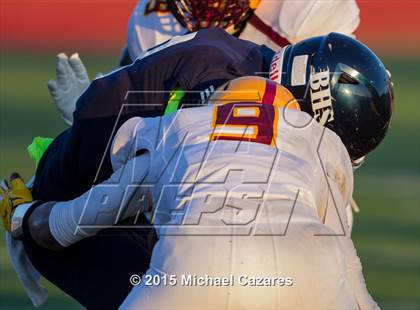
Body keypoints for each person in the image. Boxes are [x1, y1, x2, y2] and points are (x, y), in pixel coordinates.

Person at [1, 33, 393, 308]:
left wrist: (24, 217)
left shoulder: (175, 125)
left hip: (186, 263)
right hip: (297, 274)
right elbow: (345, 263)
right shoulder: (321, 146)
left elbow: (70, 221)